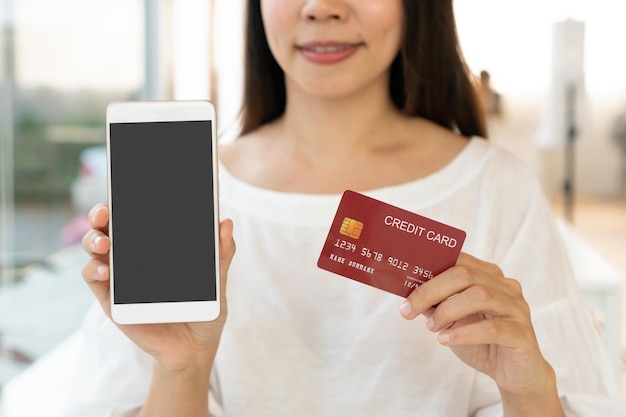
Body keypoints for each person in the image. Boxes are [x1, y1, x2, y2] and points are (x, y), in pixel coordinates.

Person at [64, 1, 626, 416]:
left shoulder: (496, 187)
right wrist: (180, 370)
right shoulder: (185, 190)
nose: (322, 8)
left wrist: (529, 391)